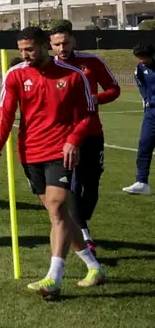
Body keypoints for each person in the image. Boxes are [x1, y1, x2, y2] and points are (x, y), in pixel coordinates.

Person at [0, 27, 104, 296]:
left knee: (57, 206)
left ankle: (54, 278)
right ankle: (93, 267)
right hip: (29, 153)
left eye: (29, 49)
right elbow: (5, 116)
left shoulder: (74, 75)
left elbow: (88, 114)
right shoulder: (15, 75)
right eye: (21, 50)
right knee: (57, 214)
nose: (24, 55)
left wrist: (73, 139)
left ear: (43, 46)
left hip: (61, 152)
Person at [48, 21, 120, 251]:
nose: (62, 48)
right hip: (65, 137)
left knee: (91, 186)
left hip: (92, 132)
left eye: (65, 42)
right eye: (57, 44)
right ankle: (85, 235)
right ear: (50, 45)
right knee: (73, 184)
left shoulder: (92, 62)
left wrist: (94, 99)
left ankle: (81, 224)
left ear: (73, 41)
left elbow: (114, 89)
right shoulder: (49, 67)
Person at [123, 43, 155, 196]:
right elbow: (141, 83)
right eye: (139, 58)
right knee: (144, 145)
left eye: (144, 58)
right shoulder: (140, 68)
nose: (142, 61)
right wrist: (146, 99)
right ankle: (141, 182)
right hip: (151, 112)